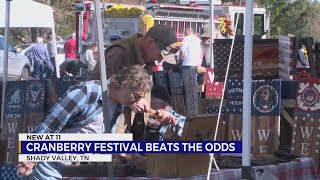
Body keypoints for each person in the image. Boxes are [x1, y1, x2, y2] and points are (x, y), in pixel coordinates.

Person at [16, 65, 177, 179]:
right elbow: (49, 125)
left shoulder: (119, 104)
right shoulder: (86, 93)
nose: (138, 101)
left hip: (73, 167)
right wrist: (30, 157)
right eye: (137, 96)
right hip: (50, 164)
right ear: (125, 85)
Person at [88, 24, 178, 135]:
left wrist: (156, 113)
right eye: (160, 55)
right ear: (150, 41)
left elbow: (139, 101)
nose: (159, 60)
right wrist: (131, 100)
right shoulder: (120, 52)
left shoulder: (147, 62)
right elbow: (93, 87)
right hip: (107, 130)